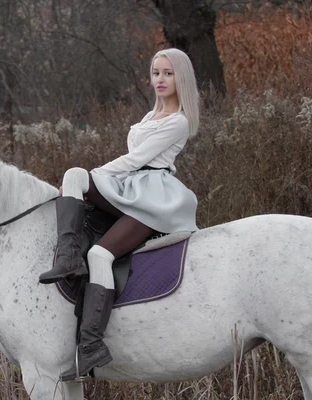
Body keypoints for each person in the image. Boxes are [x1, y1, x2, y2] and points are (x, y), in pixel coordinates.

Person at [38, 48, 200, 381]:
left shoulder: (178, 120)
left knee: (99, 254)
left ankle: (91, 345)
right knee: (73, 176)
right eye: (156, 73)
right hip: (130, 189)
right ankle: (68, 258)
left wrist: (98, 175)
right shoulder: (149, 117)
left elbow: (135, 159)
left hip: (154, 198)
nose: (160, 79)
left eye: (168, 73)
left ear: (180, 77)